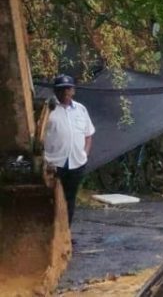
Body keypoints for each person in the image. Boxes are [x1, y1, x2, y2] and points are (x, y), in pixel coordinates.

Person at [43, 74, 94, 225]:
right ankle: (51, 234)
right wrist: (44, 160)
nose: (65, 92)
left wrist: (85, 153)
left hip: (76, 163)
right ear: (55, 92)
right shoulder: (48, 111)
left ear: (73, 90)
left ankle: (66, 232)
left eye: (68, 89)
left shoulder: (81, 109)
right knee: (51, 199)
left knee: (69, 199)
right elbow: (38, 136)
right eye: (61, 89)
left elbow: (88, 134)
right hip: (54, 164)